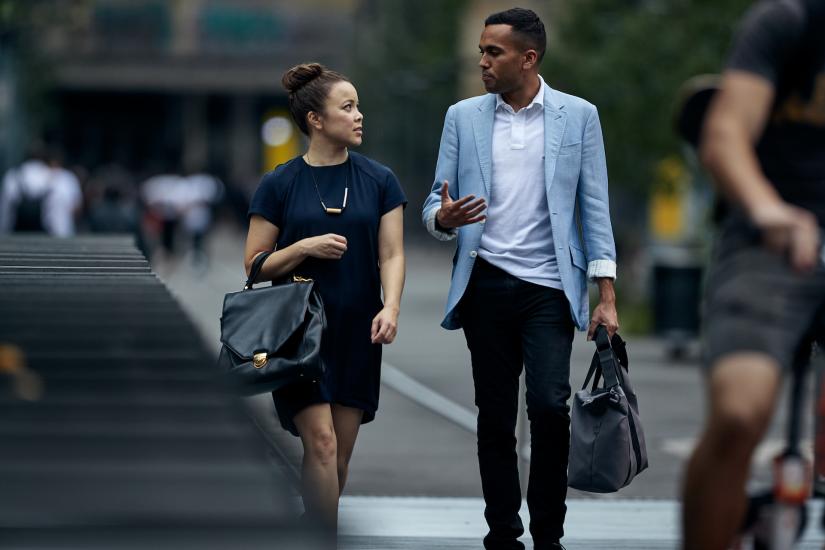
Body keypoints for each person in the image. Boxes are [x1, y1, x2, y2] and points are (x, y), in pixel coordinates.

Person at [422, 8, 618, 550]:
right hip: (484, 285)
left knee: (551, 409)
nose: (482, 61)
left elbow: (594, 208)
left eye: (493, 53)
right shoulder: (462, 116)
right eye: (481, 51)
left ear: (528, 59)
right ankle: (503, 533)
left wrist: (606, 296)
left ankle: (548, 535)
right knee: (494, 416)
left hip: (550, 289)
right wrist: (443, 219)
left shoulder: (579, 117)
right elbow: (431, 207)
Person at [681, 1, 825, 549]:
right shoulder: (789, 22)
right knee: (740, 412)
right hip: (770, 240)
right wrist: (768, 209)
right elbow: (725, 135)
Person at [244, 63, 406, 535]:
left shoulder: (380, 180)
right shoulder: (279, 183)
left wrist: (390, 306)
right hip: (298, 334)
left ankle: (308, 529)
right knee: (321, 445)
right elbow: (253, 264)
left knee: (338, 458)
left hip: (358, 329)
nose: (359, 116)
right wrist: (301, 248)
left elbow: (392, 254)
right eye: (348, 107)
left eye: (358, 106)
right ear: (316, 119)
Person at [0, 147, 82, 237]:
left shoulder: (12, 176)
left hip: (15, 237)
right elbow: (76, 209)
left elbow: (4, 212)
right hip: (54, 238)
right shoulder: (60, 176)